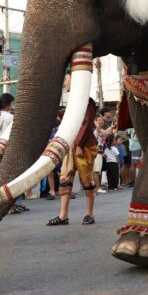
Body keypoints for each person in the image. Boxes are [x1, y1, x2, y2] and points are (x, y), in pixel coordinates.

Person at [48, 75, 99, 226]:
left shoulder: (87, 101)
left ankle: (89, 214)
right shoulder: (72, 101)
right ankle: (63, 215)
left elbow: (87, 124)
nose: (65, 82)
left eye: (67, 79)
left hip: (83, 146)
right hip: (71, 146)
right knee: (65, 179)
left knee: (86, 180)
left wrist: (78, 145)